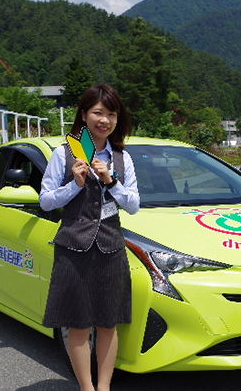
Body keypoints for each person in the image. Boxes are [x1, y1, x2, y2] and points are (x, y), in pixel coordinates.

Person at [39, 84, 140, 391]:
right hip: (73, 247)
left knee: (108, 324)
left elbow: (133, 205)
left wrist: (111, 180)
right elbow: (45, 201)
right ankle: (87, 387)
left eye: (111, 113)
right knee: (79, 325)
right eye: (97, 112)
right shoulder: (63, 153)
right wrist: (75, 184)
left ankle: (104, 387)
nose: (104, 120)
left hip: (111, 248)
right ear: (84, 115)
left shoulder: (122, 157)